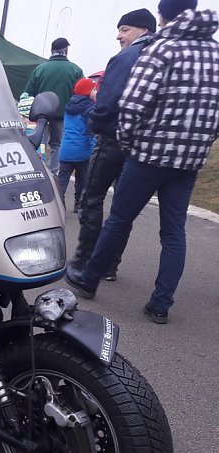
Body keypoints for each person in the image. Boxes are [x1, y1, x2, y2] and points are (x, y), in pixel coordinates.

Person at [65, 0, 219, 324]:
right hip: (188, 162)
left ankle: (89, 279)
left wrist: (127, 142)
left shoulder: (160, 49)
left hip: (149, 155)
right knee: (174, 232)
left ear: (163, 17)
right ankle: (161, 304)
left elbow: (133, 105)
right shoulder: (214, 54)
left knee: (119, 219)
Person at [68, 8, 157, 280]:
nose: (119, 36)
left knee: (92, 198)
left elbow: (107, 103)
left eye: (124, 29)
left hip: (113, 139)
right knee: (123, 208)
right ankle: (109, 266)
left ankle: (85, 261)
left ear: (143, 30)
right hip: (142, 145)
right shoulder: (163, 57)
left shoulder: (126, 57)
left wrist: (95, 121)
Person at [23, 37, 83, 175]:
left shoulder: (40, 69)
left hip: (40, 117)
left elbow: (28, 93)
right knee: (57, 145)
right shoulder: (75, 70)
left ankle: (38, 171)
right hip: (62, 116)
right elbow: (80, 96)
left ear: (52, 50)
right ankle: (53, 174)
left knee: (39, 144)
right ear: (66, 50)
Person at [57, 78, 97, 213]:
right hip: (82, 152)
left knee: (62, 181)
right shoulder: (90, 109)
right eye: (94, 89)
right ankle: (78, 204)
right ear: (87, 92)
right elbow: (91, 132)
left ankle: (58, 204)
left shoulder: (69, 106)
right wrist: (95, 149)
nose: (96, 92)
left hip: (65, 150)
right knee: (82, 180)